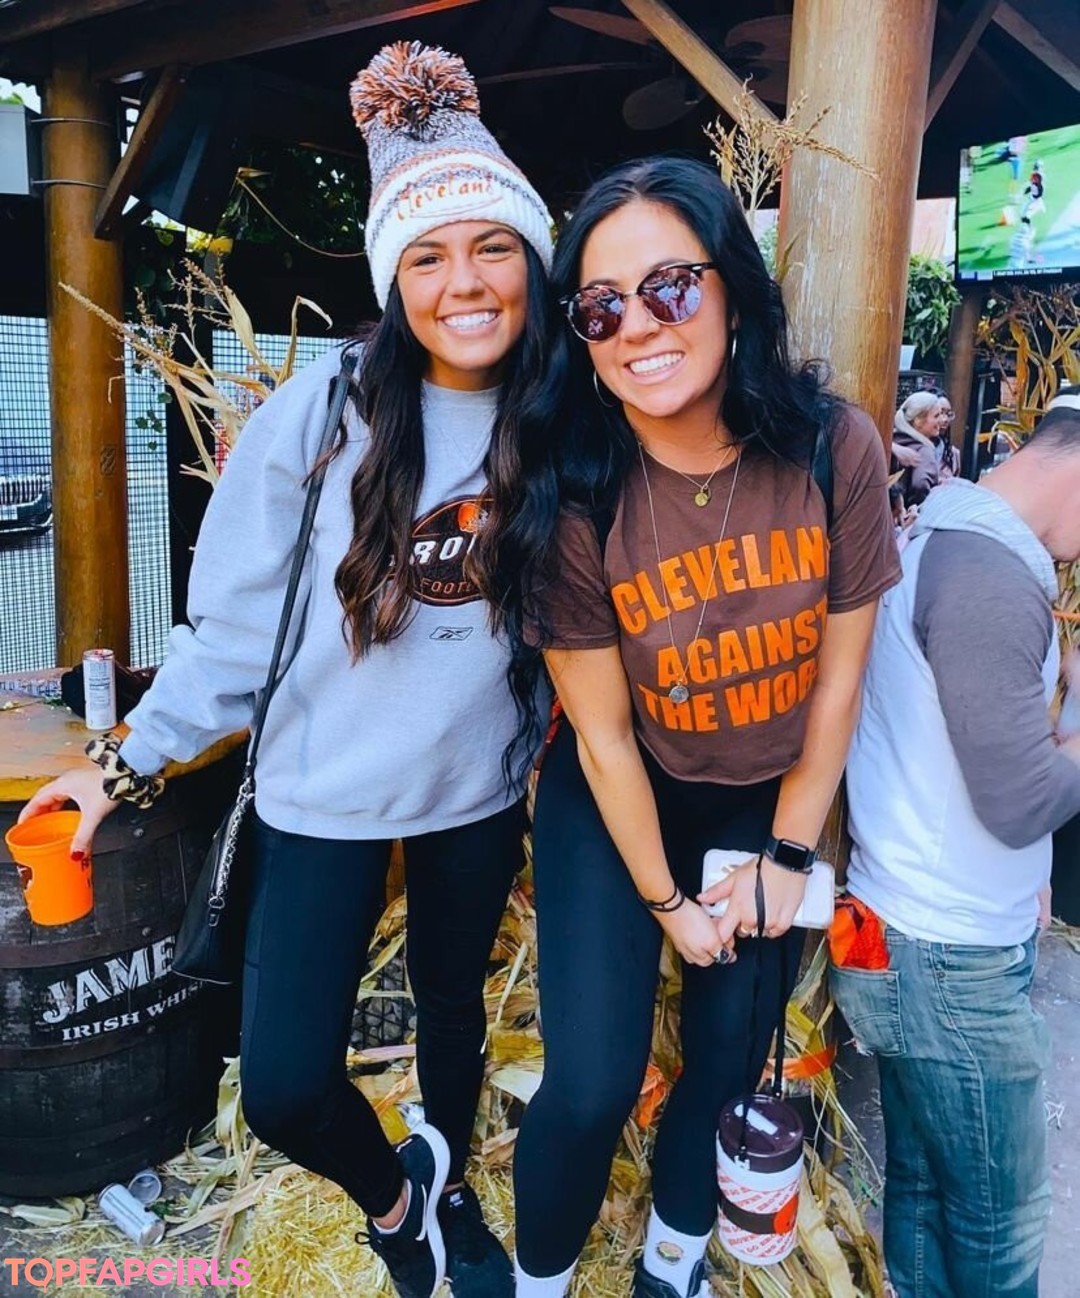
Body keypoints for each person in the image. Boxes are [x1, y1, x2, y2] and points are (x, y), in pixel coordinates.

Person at [18, 41, 556, 1298]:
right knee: (284, 1081)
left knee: (453, 1010)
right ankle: (396, 1203)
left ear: (532, 260)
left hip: (478, 787)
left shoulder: (562, 416)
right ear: (392, 278)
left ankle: (449, 1175)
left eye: (492, 246)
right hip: (325, 794)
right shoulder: (319, 416)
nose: (464, 281)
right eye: (426, 256)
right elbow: (229, 632)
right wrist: (119, 767)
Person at [511, 156, 901, 1298]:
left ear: (733, 288)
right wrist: (669, 904)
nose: (638, 325)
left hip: (761, 802)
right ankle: (539, 1279)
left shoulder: (832, 449)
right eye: (601, 307)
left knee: (727, 1057)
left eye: (670, 287)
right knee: (592, 1079)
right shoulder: (575, 483)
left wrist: (787, 854)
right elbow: (602, 737)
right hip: (618, 799)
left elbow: (839, 686)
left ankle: (671, 1262)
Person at [835, 403, 1080, 1298]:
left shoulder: (949, 529)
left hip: (910, 929)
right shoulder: (989, 578)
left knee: (926, 1185)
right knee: (997, 1225)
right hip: (950, 957)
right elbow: (1022, 802)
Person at [892, 390, 950, 506]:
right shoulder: (924, 450)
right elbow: (920, 484)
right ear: (918, 421)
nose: (941, 420)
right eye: (936, 416)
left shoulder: (891, 442)